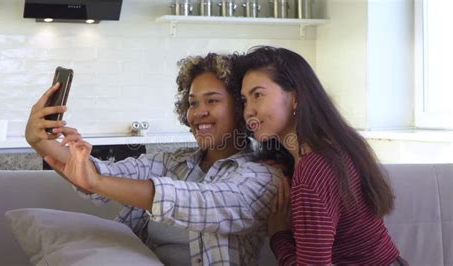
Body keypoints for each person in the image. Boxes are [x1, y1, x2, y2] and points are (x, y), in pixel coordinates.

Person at [25, 53, 283, 266]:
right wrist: (39, 140)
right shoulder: (171, 164)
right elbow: (98, 175)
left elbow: (199, 202)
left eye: (212, 101)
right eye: (192, 103)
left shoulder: (263, 177)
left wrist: (96, 181)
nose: (199, 113)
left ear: (240, 108)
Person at [236, 46, 407, 265]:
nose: (248, 110)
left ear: (295, 97)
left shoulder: (314, 169)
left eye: (257, 95)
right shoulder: (336, 145)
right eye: (244, 101)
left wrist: (278, 236)